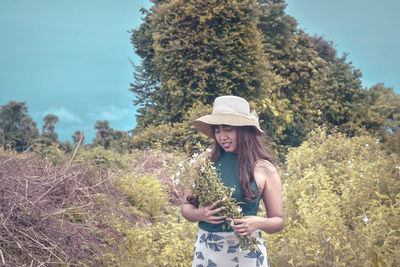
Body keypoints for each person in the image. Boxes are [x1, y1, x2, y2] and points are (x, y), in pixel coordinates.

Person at [181, 95, 284, 267]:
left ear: (244, 130)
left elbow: (278, 220)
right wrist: (201, 214)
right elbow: (186, 206)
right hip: (208, 249)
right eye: (217, 130)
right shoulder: (203, 162)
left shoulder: (264, 168)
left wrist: (258, 222)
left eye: (228, 129)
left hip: (248, 253)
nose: (222, 136)